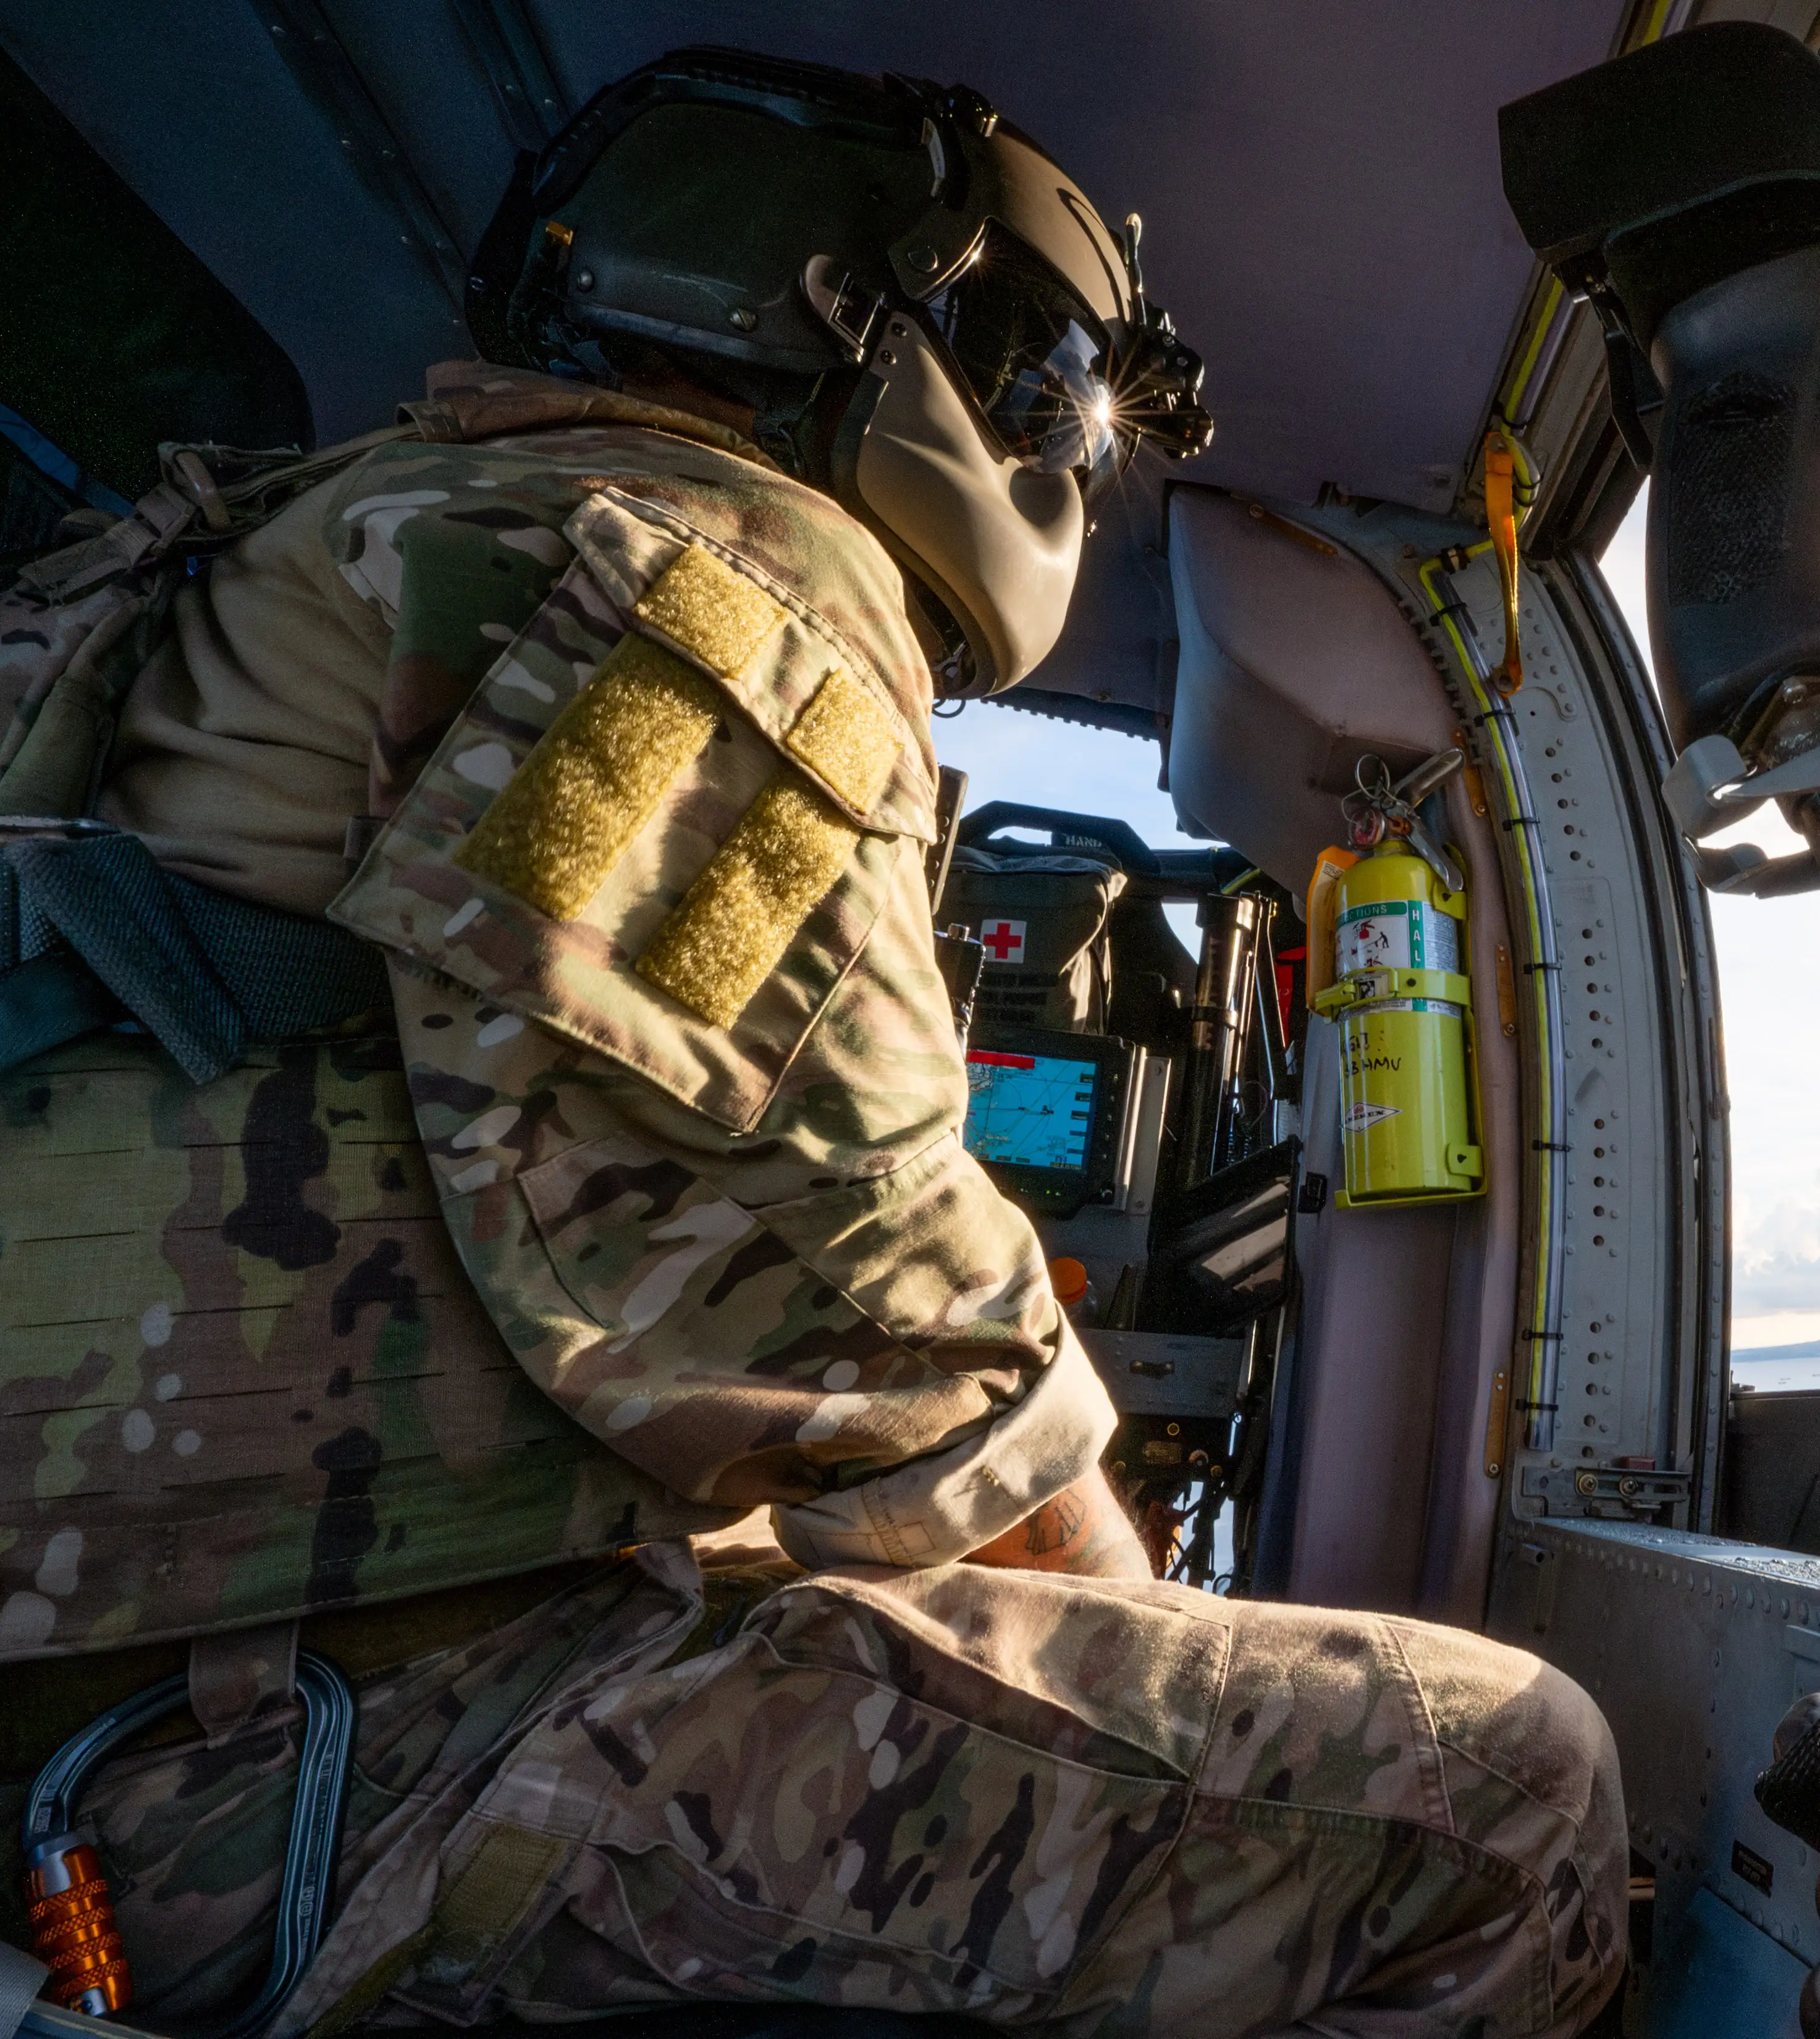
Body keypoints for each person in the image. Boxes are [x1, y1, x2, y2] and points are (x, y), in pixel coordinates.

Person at [0, 48, 1622, 2038]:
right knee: (1501, 1794)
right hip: (275, 1760)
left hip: (141, 1704)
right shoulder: (710, 557)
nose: (1062, 457)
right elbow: (866, 1286)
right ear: (887, 325)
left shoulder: (276, 550)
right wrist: (1143, 1624)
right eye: (1055, 391)